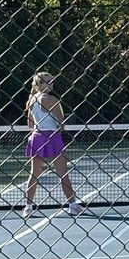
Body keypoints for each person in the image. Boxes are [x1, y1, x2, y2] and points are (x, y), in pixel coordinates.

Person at [23, 71, 83, 219]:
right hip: (51, 136)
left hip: (36, 137)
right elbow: (62, 123)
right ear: (41, 84)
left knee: (34, 175)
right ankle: (73, 206)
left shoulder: (31, 100)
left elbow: (30, 125)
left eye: (52, 81)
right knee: (63, 174)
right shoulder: (52, 100)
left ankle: (28, 208)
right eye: (49, 81)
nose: (52, 83)